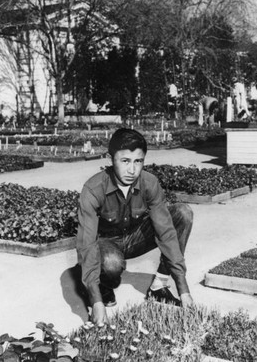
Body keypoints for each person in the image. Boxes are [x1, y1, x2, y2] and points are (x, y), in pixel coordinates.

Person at [76, 128, 194, 325]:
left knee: (182, 213)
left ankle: (158, 286)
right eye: (125, 161)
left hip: (135, 238)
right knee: (112, 264)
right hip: (106, 245)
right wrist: (96, 301)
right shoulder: (93, 189)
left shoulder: (150, 183)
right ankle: (103, 286)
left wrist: (183, 290)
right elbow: (86, 244)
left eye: (138, 161)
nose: (132, 170)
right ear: (110, 158)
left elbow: (166, 233)